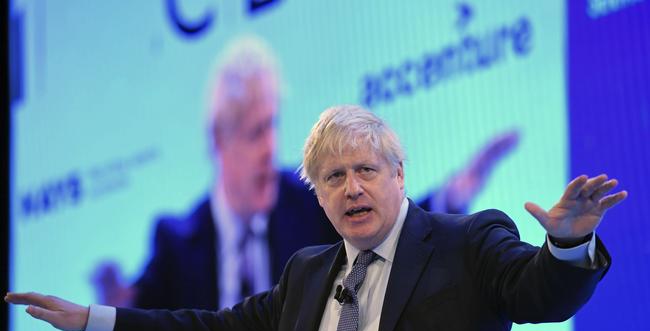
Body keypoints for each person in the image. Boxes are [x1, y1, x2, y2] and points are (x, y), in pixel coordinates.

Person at [6, 105, 626, 331]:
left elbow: (539, 298)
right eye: (334, 177)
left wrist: (566, 245)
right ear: (318, 195)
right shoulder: (306, 274)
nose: (351, 188)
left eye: (365, 171)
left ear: (399, 175)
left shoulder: (468, 241)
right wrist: (94, 320)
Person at [93, 35, 520, 311]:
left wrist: (452, 196)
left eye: (273, 125)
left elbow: (383, 225)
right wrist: (111, 307)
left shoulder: (307, 199)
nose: (271, 148)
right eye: (254, 132)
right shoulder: (176, 244)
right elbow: (139, 326)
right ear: (219, 141)